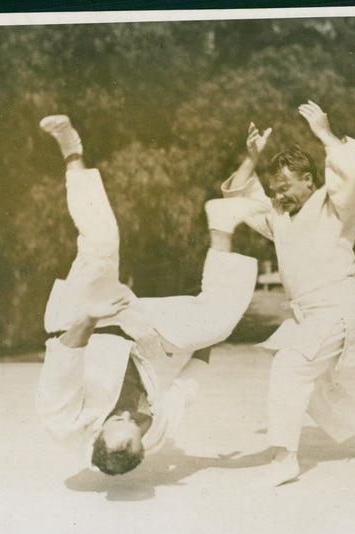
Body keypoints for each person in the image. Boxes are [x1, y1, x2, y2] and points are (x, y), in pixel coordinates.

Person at [35, 115, 258, 475]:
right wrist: (206, 332)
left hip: (79, 322)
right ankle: (224, 220)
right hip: (132, 330)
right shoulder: (152, 432)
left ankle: (71, 151)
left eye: (118, 419)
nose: (129, 414)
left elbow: (64, 360)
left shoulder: (62, 423)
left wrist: (91, 315)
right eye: (134, 423)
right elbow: (183, 390)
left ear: (96, 438)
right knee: (221, 319)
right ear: (142, 442)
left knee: (102, 242)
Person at [206, 100, 355, 486]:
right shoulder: (278, 215)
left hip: (338, 305)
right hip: (308, 314)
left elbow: (353, 176)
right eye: (276, 188)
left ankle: (284, 460)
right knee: (317, 390)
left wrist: (324, 133)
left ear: (310, 179)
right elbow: (238, 197)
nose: (281, 193)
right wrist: (250, 158)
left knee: (289, 368)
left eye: (287, 185)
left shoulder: (335, 205)